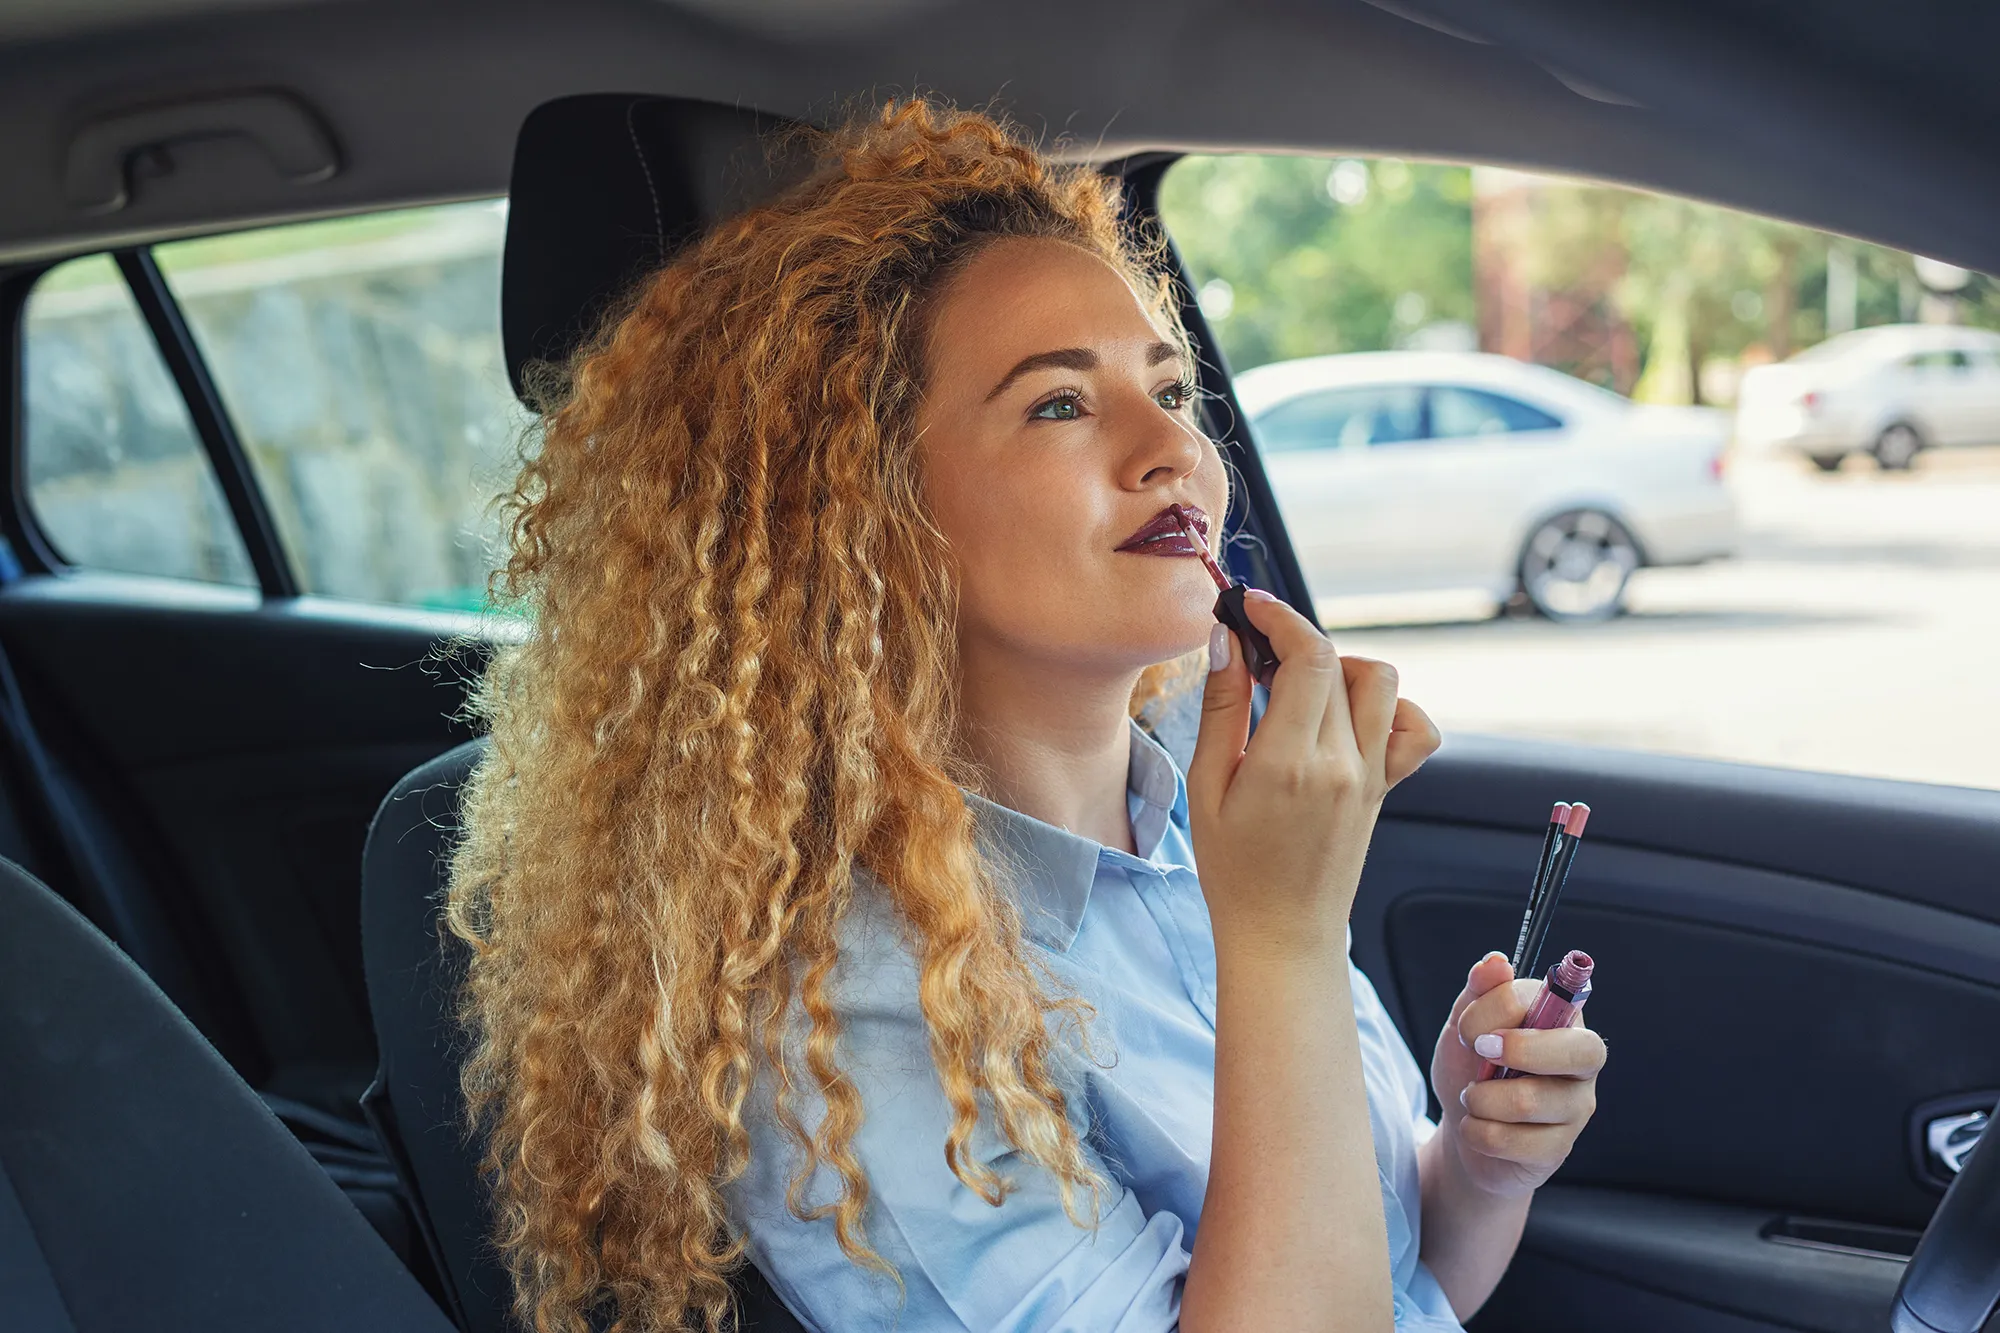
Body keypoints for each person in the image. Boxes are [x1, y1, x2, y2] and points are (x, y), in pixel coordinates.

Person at [446, 100, 1608, 1333]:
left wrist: (1477, 1170)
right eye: (1060, 403)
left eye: (1168, 385)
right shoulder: (855, 1012)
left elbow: (1387, 1290)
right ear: (864, 515)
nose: (1173, 447)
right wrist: (1282, 934)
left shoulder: (1191, 832)